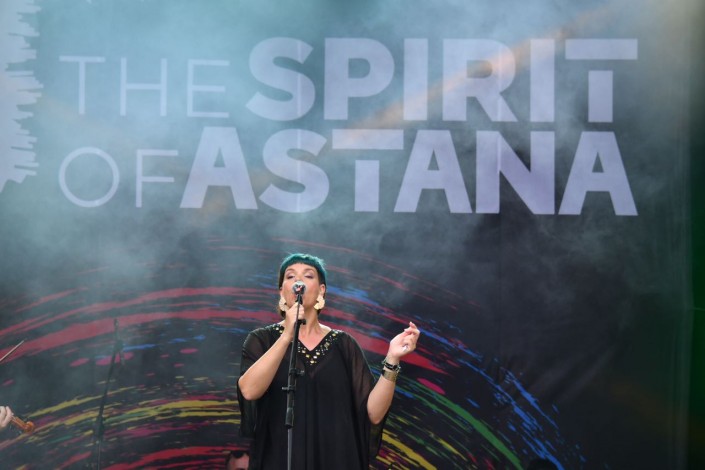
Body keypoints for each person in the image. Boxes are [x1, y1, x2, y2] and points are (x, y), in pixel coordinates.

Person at [237, 253, 420, 469]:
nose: (298, 281)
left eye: (308, 276)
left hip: (337, 458)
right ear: (281, 291)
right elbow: (249, 391)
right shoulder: (261, 340)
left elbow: (374, 413)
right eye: (290, 276)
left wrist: (392, 359)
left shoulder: (344, 345)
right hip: (279, 458)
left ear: (321, 290)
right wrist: (287, 335)